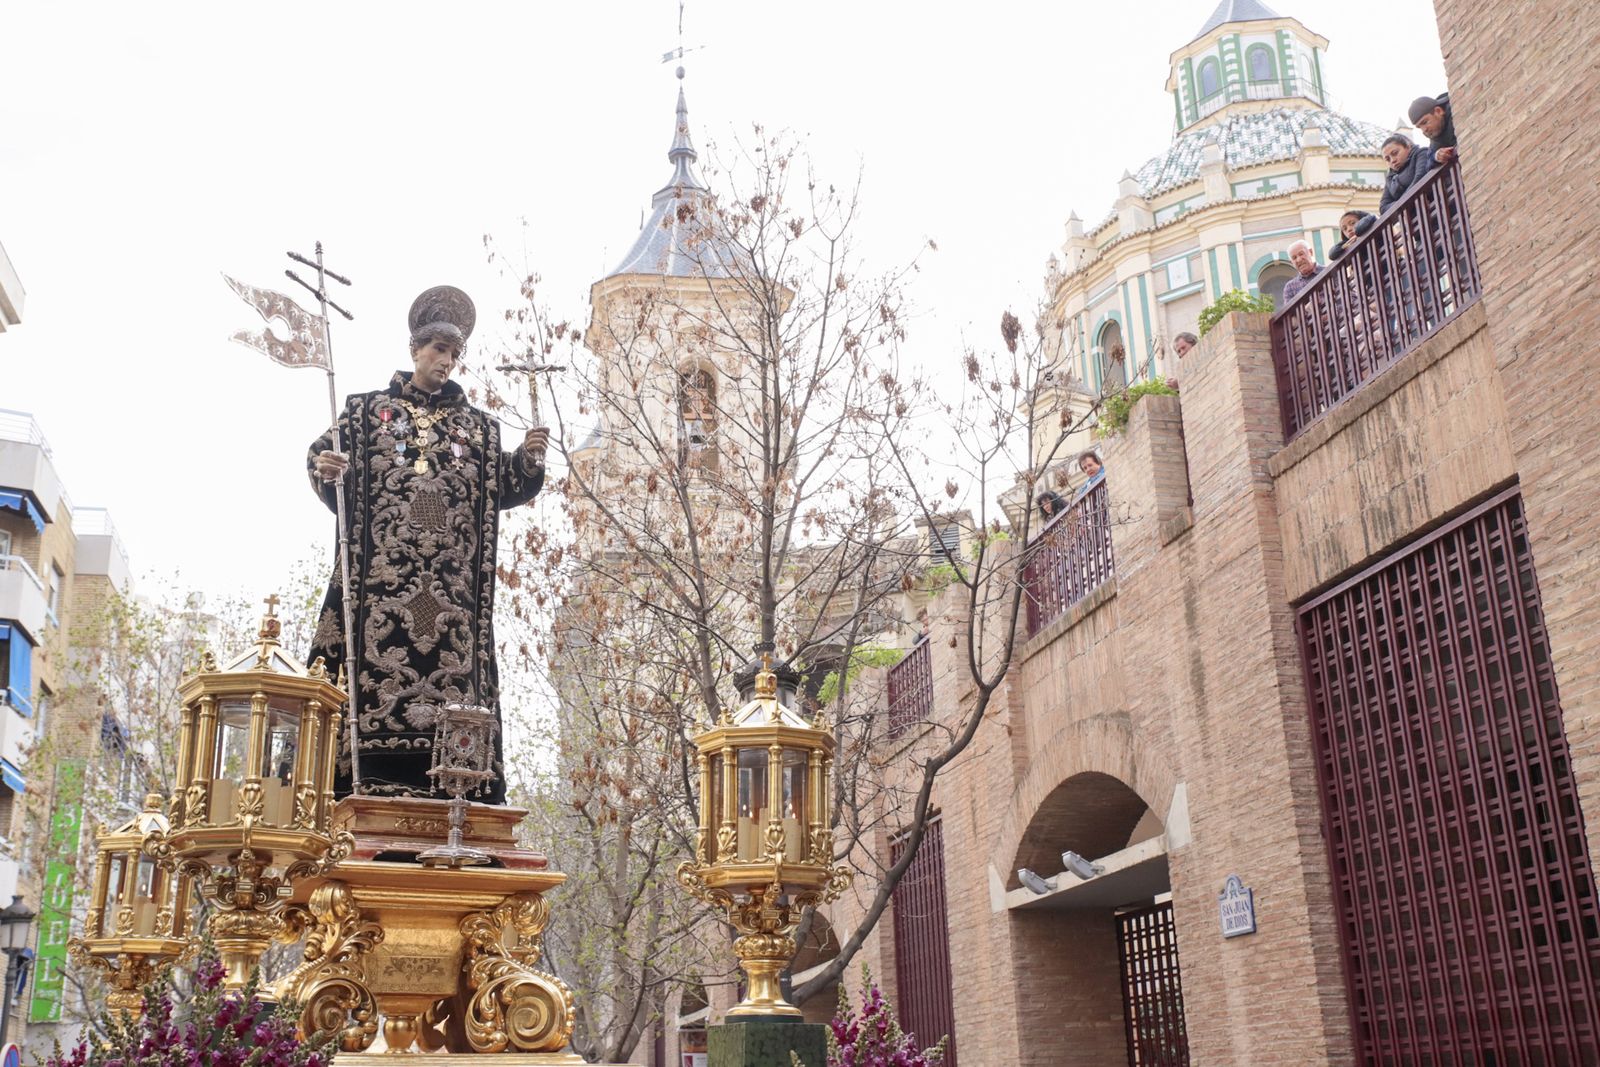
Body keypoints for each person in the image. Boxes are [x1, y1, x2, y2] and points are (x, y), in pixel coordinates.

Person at [307, 285, 550, 803]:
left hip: (450, 596)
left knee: (456, 680)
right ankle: (360, 775)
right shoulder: (366, 413)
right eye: (439, 350)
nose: (447, 362)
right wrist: (326, 470)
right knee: (363, 667)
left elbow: (503, 485)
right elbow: (324, 460)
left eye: (455, 354)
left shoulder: (479, 429)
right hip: (378, 586)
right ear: (416, 350)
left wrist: (527, 461)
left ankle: (458, 783)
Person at [1379, 135, 1437, 214]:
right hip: (1415, 222)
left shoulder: (1421, 153)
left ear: (1408, 147)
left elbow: (1420, 180)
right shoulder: (1390, 177)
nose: (1392, 160)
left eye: (1395, 153)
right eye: (1387, 159)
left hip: (1436, 209)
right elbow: (1383, 208)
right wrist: (1402, 203)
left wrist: (1400, 203)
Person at [1408, 94, 1456, 163]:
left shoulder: (1457, 112)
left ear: (1438, 111)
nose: (1424, 130)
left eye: (1425, 122)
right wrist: (1436, 156)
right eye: (1419, 127)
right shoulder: (1435, 137)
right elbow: (1428, 162)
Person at [1280, 241, 1323, 305]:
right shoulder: (1290, 287)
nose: (1299, 260)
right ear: (1291, 262)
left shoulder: (1329, 270)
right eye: (1294, 258)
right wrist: (1305, 310)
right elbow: (1289, 314)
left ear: (1310, 252)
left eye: (1301, 254)